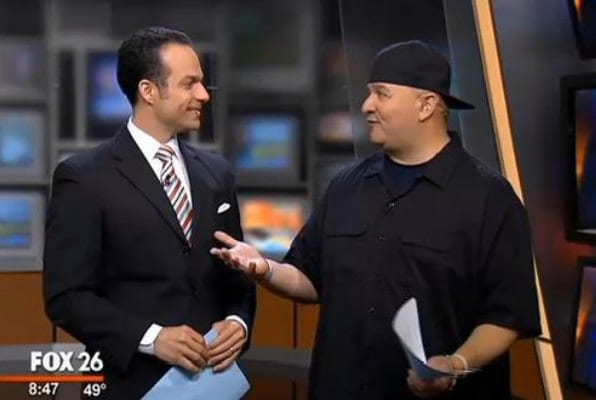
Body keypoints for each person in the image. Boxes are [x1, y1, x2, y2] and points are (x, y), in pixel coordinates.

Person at [211, 40, 541, 399]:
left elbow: (507, 316)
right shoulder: (345, 186)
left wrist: (456, 364)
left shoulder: (489, 198)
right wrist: (265, 269)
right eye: (369, 93)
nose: (367, 106)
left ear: (426, 105)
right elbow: (310, 280)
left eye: (382, 94)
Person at [43, 27, 255, 399]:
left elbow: (236, 274)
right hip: (132, 386)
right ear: (148, 91)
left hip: (216, 385)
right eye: (189, 84)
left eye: (202, 83)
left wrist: (239, 321)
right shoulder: (85, 177)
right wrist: (151, 338)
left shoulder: (217, 174)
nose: (203, 95)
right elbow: (67, 297)